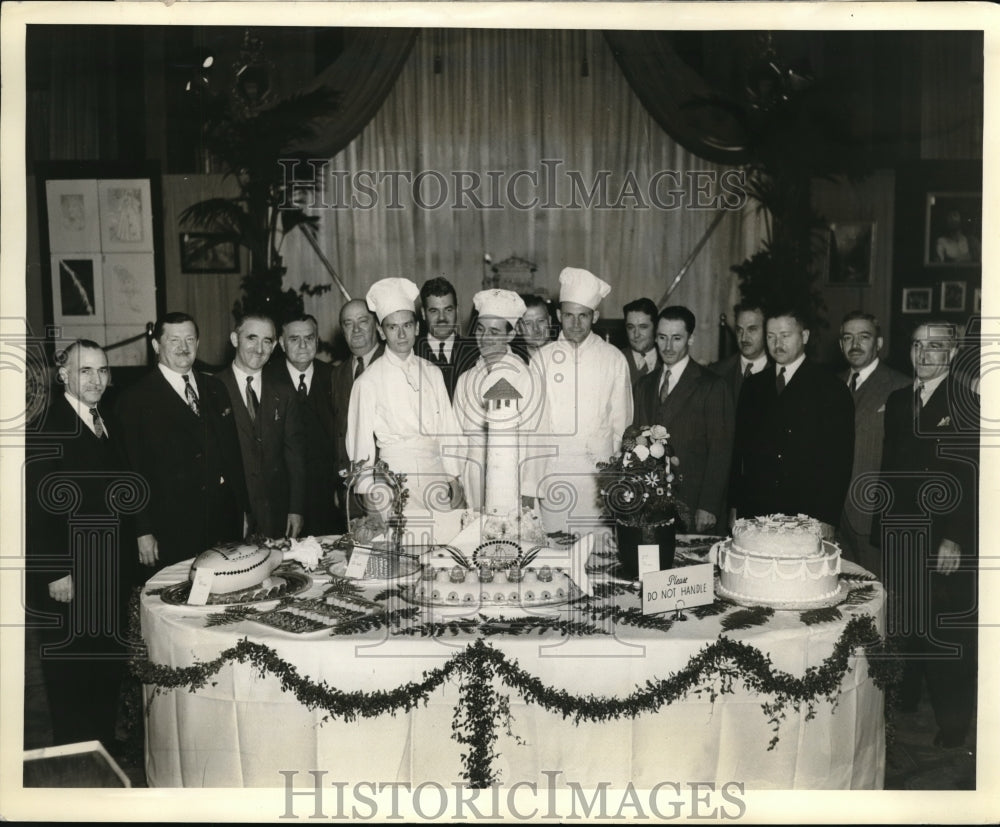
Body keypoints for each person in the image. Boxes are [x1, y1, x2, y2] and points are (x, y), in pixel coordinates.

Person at [25, 340, 135, 746]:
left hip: (108, 569)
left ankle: (101, 744)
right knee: (72, 670)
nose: (96, 379)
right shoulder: (47, 426)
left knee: (104, 662)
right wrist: (56, 572)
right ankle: (76, 754)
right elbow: (37, 508)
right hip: (70, 575)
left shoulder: (103, 418)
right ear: (64, 375)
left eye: (102, 370)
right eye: (85, 370)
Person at [877, 322, 978, 748]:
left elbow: (973, 477)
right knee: (905, 623)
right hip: (903, 532)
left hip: (943, 538)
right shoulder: (900, 400)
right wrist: (882, 527)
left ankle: (955, 725)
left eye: (934, 346)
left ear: (952, 353)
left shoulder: (968, 403)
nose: (923, 354)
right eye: (917, 345)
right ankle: (905, 702)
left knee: (944, 629)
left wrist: (955, 536)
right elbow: (888, 469)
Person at [117, 312, 248, 574]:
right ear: (156, 346)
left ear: (198, 344)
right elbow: (131, 471)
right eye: (174, 340)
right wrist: (143, 531)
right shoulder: (134, 399)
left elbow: (232, 456)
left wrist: (243, 510)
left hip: (221, 523)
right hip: (170, 527)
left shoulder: (215, 388)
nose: (183, 347)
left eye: (190, 339)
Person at [730, 308, 854, 537]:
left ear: (804, 337)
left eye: (785, 335)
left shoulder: (830, 388)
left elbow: (839, 460)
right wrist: (735, 505)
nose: (777, 343)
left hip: (806, 513)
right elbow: (740, 452)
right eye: (770, 336)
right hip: (757, 510)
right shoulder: (753, 386)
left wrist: (827, 517)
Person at [347, 278, 465, 515]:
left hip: (436, 476)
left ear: (417, 327)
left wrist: (454, 478)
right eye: (392, 327)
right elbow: (360, 448)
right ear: (381, 331)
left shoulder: (432, 372)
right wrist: (370, 502)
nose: (401, 334)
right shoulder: (367, 382)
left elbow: (448, 430)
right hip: (394, 482)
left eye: (407, 325)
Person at [536, 267, 633, 530]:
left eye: (583, 316)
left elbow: (621, 424)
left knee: (596, 554)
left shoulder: (613, 358)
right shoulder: (541, 359)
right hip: (553, 474)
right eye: (569, 315)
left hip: (596, 477)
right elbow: (533, 429)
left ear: (596, 316)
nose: (576, 324)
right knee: (554, 552)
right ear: (558, 315)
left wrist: (615, 478)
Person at [632, 306, 733, 532]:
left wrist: (709, 506)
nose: (668, 347)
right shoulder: (644, 385)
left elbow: (721, 450)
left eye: (676, 338)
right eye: (662, 338)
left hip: (693, 503)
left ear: (691, 338)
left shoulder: (712, 385)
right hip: (651, 504)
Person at [453, 289, 546, 509]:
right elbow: (456, 439)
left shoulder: (527, 377)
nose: (484, 338)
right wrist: (457, 483)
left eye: (494, 332)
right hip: (473, 479)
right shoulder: (466, 379)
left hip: (512, 480)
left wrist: (528, 493)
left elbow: (537, 443)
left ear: (510, 335)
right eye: (481, 330)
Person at [217, 313, 306, 539]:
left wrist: (296, 508)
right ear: (235, 340)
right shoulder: (212, 388)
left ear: (275, 345)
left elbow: (294, 456)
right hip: (230, 513)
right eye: (252, 338)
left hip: (274, 515)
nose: (259, 349)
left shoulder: (284, 393)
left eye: (267, 341)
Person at [836, 311, 909, 578]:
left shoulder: (901, 386)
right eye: (848, 337)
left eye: (864, 337)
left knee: (876, 594)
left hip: (873, 514)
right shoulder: (830, 385)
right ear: (840, 344)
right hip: (833, 515)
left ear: (878, 344)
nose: (855, 344)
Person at [266, 313, 339, 536]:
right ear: (281, 343)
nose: (303, 345)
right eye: (294, 339)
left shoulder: (334, 377)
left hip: (326, 495)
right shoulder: (266, 378)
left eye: (309, 338)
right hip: (281, 497)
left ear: (317, 341)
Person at [331, 299, 386, 525]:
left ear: (376, 325)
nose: (356, 330)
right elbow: (340, 432)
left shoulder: (391, 363)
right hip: (350, 495)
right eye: (348, 323)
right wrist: (340, 486)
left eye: (363, 321)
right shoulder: (338, 374)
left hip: (386, 488)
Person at [415, 276, 476, 401]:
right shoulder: (412, 352)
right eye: (434, 311)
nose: (442, 318)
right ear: (423, 313)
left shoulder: (474, 352)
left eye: (448, 310)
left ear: (457, 310)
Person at [708, 301, 769, 406]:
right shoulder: (716, 372)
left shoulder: (781, 373)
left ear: (767, 331)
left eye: (752, 329)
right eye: (739, 330)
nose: (744, 337)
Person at [620, 297, 660, 387]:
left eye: (643, 327)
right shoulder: (616, 359)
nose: (636, 334)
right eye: (631, 327)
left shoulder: (668, 358)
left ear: (656, 328)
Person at [515, 294, 556, 361]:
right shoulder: (515, 360)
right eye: (528, 323)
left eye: (541, 321)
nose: (536, 329)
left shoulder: (567, 355)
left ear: (550, 321)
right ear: (518, 329)